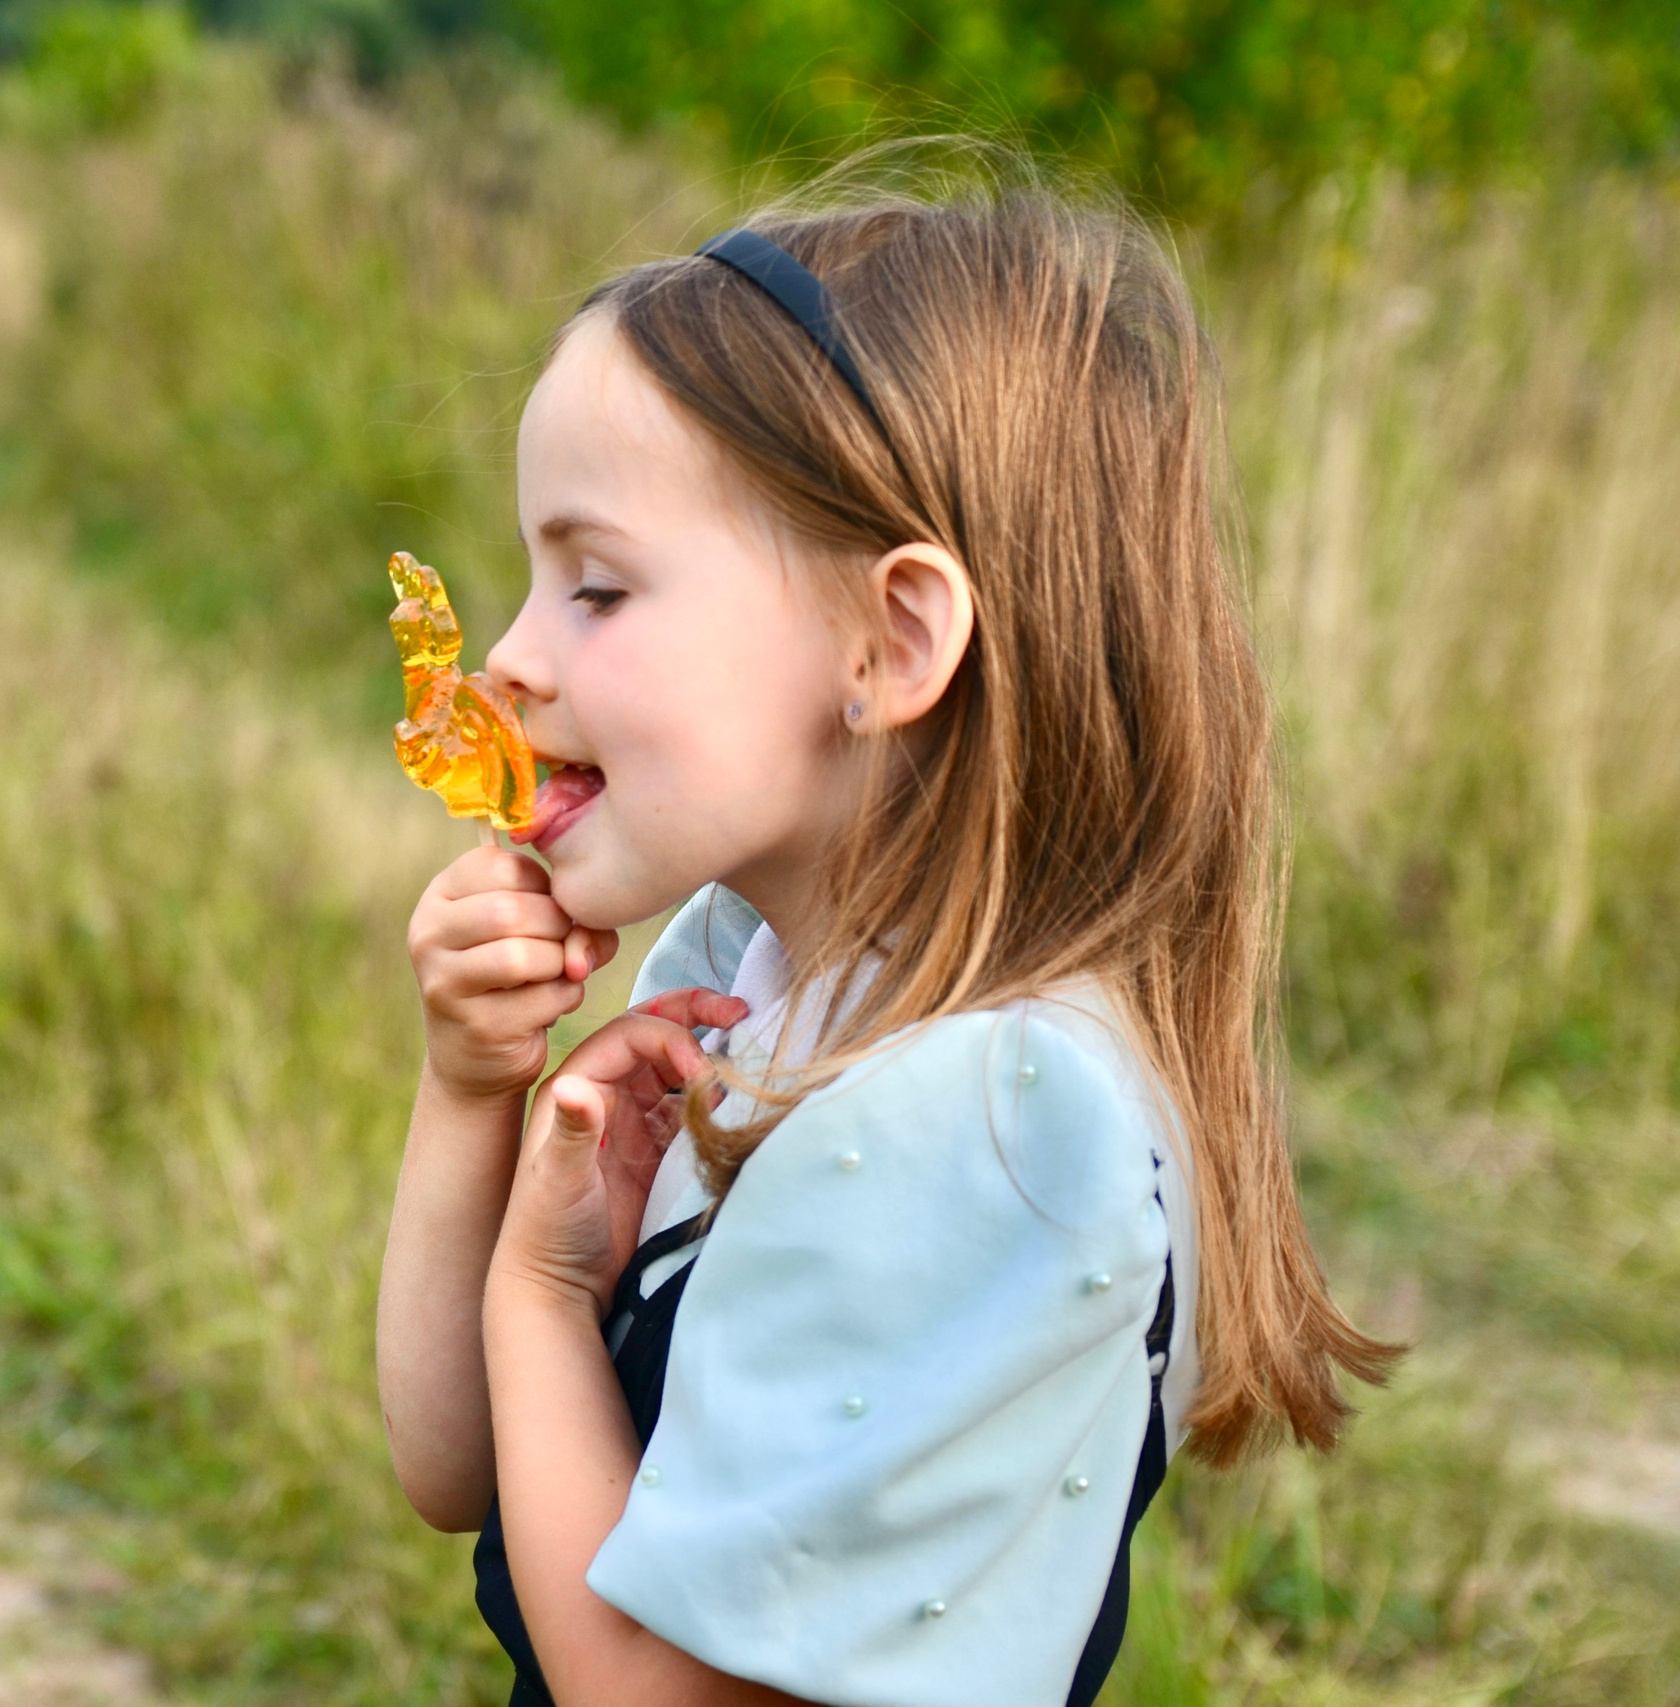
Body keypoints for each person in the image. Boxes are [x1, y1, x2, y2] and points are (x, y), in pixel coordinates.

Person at [373, 166, 1402, 1707]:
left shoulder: (988, 1121)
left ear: (891, 641)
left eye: (597, 587)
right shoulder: (742, 973)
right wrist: (473, 1089)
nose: (511, 660)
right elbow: (457, 1467)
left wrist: (537, 1289)